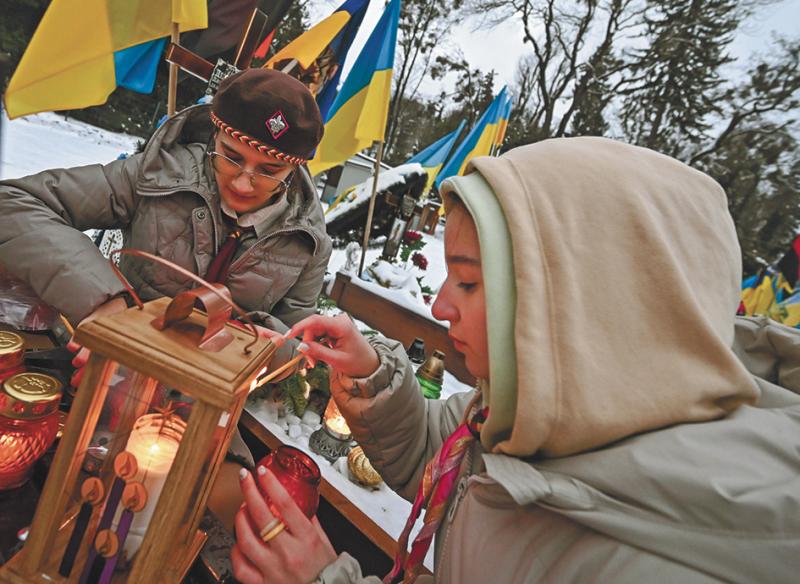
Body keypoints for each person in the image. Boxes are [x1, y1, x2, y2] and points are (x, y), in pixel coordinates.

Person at [232, 138, 800, 583]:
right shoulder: (533, 405)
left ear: (572, 305)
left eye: (470, 282)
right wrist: (370, 375)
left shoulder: (663, 559)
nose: (439, 304)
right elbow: (445, 459)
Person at [0, 67, 332, 527]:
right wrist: (108, 308)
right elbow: (14, 204)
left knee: (220, 516)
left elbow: (297, 341)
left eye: (268, 172)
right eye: (230, 157)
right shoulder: (156, 175)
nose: (241, 183)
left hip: (203, 410)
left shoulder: (309, 243)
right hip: (105, 378)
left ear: (295, 168)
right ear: (215, 134)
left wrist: (262, 346)